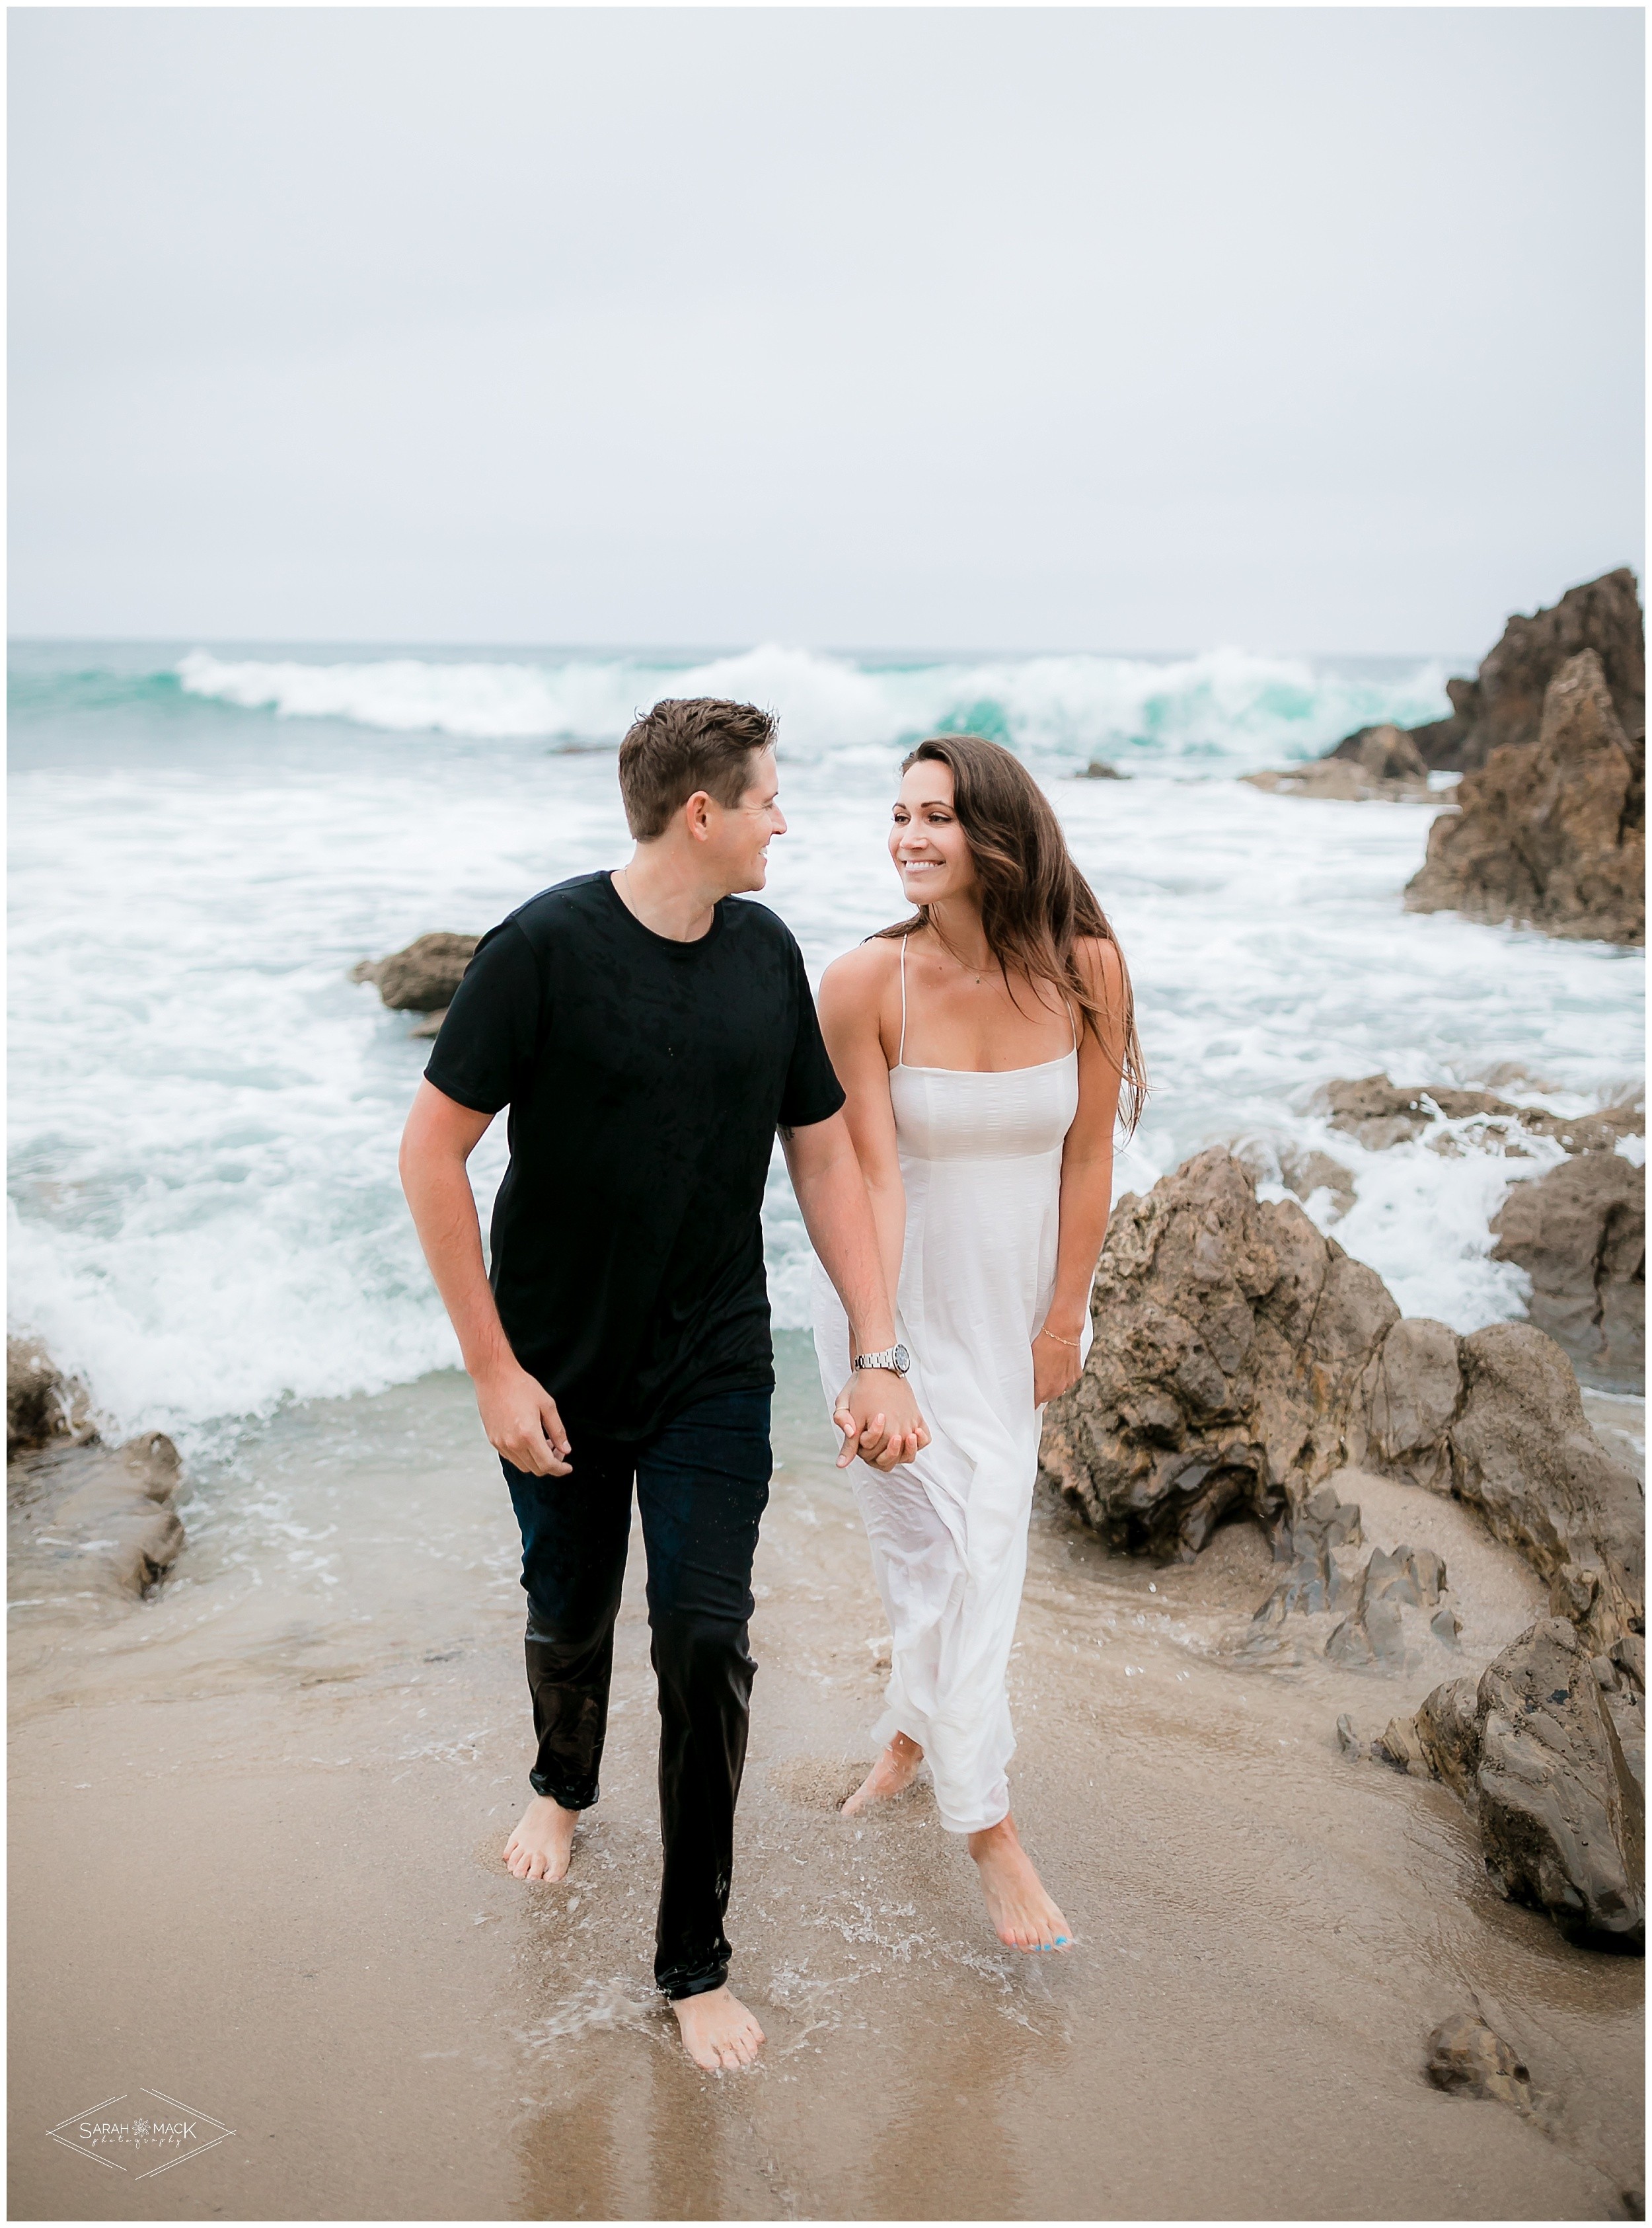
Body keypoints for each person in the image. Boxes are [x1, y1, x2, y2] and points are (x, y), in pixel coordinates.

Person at [398, 697, 927, 2073]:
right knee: (568, 1612)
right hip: (557, 1365)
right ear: (703, 813)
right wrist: (493, 1372)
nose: (783, 821)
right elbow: (429, 1158)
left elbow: (818, 1157)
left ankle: (692, 1960)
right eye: (767, 799)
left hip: (710, 1359)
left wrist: (876, 1348)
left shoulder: (764, 955)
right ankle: (561, 1786)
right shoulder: (543, 953)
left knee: (703, 1639)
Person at [811, 733, 1145, 1954]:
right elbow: (866, 1182)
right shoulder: (861, 985)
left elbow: (1089, 1153)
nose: (908, 836)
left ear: (997, 834)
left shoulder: (1089, 968)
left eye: (936, 816)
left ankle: (910, 1734)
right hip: (891, 1314)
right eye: (898, 814)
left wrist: (1068, 1313)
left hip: (1015, 1319)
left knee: (971, 1544)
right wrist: (875, 1355)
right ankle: (989, 1829)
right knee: (954, 1555)